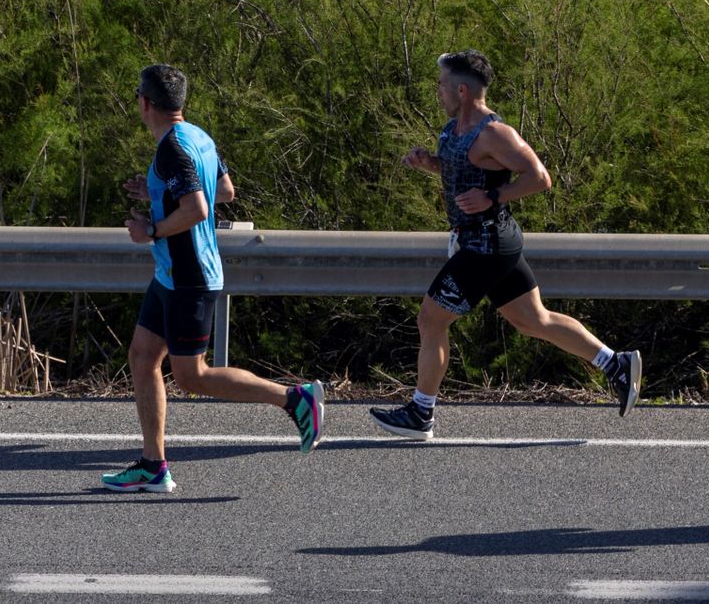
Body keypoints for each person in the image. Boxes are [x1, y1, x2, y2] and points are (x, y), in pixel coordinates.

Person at [370, 49, 641, 440]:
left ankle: (420, 413)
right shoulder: (453, 129)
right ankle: (615, 363)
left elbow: (539, 177)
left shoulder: (494, 133)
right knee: (533, 320)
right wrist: (429, 162)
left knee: (431, 319)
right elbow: (460, 169)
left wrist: (493, 198)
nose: (437, 91)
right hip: (488, 243)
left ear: (462, 90)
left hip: (486, 246)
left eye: (442, 84)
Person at [102, 63, 323, 494]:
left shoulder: (171, 149)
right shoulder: (197, 136)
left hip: (190, 278)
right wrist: (157, 193)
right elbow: (224, 191)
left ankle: (295, 399)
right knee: (143, 357)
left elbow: (200, 209)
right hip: (171, 275)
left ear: (146, 103)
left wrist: (150, 230)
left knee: (193, 376)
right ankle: (152, 464)